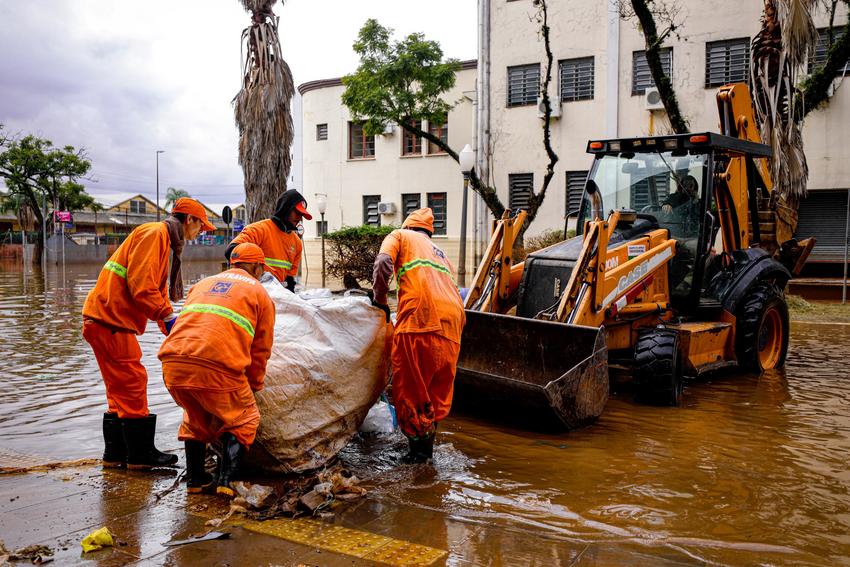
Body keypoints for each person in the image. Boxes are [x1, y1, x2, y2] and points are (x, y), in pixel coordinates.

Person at [82, 198, 216, 470]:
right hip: (111, 320)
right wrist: (167, 317)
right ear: (189, 219)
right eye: (201, 226)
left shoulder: (159, 237)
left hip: (104, 318)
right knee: (132, 381)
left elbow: (148, 289)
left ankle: (116, 455)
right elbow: (142, 287)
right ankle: (141, 456)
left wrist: (168, 323)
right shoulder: (156, 234)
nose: (201, 232)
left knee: (118, 389)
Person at [158, 242, 275, 495]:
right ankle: (227, 482)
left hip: (173, 363)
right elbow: (261, 348)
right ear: (257, 267)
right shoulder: (259, 292)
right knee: (244, 419)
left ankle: (195, 481)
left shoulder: (202, 284)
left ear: (232, 263)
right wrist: (253, 386)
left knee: (195, 417)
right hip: (216, 366)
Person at [371, 208, 466, 463]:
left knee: (410, 391)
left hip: (419, 320)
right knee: (435, 395)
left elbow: (382, 263)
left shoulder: (399, 235)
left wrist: (380, 300)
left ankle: (417, 462)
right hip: (453, 325)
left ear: (408, 226)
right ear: (428, 231)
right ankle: (427, 457)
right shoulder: (442, 254)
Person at [225, 190, 312, 292]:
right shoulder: (259, 230)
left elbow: (290, 280)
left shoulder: (297, 243)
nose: (299, 218)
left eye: (301, 215)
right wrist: (261, 271)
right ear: (285, 209)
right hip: (251, 291)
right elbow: (231, 251)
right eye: (297, 212)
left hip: (275, 295)